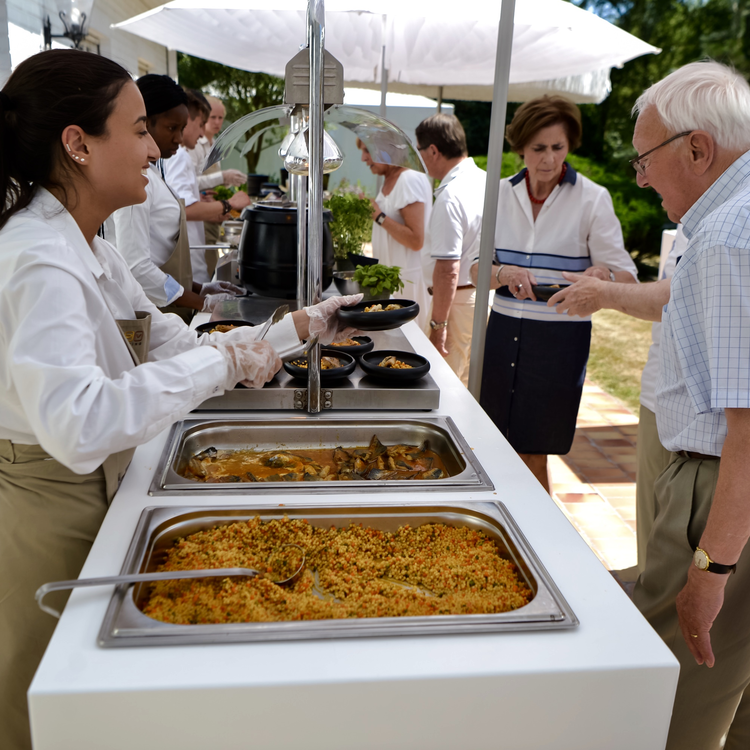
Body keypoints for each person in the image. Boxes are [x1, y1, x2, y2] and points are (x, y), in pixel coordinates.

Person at [0, 49, 361, 750]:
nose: (154, 150)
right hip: (51, 499)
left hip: (96, 483)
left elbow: (166, 342)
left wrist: (294, 330)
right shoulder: (38, 257)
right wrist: (222, 362)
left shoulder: (90, 246)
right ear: (77, 145)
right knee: (40, 700)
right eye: (138, 130)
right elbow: (79, 423)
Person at [622, 61, 750, 750]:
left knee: (677, 713)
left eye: (645, 160)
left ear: (697, 149)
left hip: (719, 493)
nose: (641, 178)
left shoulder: (728, 235)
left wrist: (711, 568)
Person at [470, 95, 637, 492]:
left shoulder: (593, 199)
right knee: (492, 445)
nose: (548, 159)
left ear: (570, 146)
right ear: (521, 148)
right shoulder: (498, 193)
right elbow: (476, 270)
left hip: (558, 342)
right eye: (538, 148)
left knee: (533, 451)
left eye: (557, 148)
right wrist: (503, 272)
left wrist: (601, 277)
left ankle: (538, 544)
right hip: (502, 333)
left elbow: (626, 277)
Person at [550, 227, 686, 580]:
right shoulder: (690, 220)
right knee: (653, 531)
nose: (642, 179)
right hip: (660, 391)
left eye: (644, 166)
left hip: (692, 409)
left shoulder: (726, 219)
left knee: (677, 540)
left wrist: (604, 290)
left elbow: (676, 296)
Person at [109, 75, 249, 323]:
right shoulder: (138, 180)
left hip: (168, 307)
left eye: (181, 129)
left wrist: (199, 288)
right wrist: (202, 302)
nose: (178, 138)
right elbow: (137, 267)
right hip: (153, 313)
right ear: (144, 124)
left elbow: (159, 257)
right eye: (172, 128)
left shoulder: (154, 172)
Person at [415, 114, 486, 386]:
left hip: (455, 301)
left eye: (420, 150)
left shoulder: (450, 195)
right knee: (467, 384)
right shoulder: (486, 180)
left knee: (444, 386)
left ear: (433, 150)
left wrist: (438, 326)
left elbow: (447, 270)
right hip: (477, 297)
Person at [165, 89, 250, 285]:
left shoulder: (181, 155)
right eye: (202, 123)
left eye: (220, 117)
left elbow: (180, 198)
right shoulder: (180, 155)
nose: (203, 132)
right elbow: (184, 207)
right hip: (188, 263)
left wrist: (212, 209)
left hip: (191, 258)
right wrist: (229, 203)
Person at [357, 137, 433, 329]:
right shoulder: (391, 179)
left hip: (408, 285)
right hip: (393, 283)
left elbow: (416, 240)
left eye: (367, 151)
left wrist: (378, 216)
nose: (363, 158)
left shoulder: (408, 179)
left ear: (386, 151)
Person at [188, 95, 247, 247]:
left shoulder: (214, 145)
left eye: (220, 117)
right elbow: (190, 183)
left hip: (213, 213)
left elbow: (210, 183)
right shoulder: (191, 146)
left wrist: (227, 182)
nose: (217, 122)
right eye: (212, 117)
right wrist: (223, 177)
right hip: (200, 216)